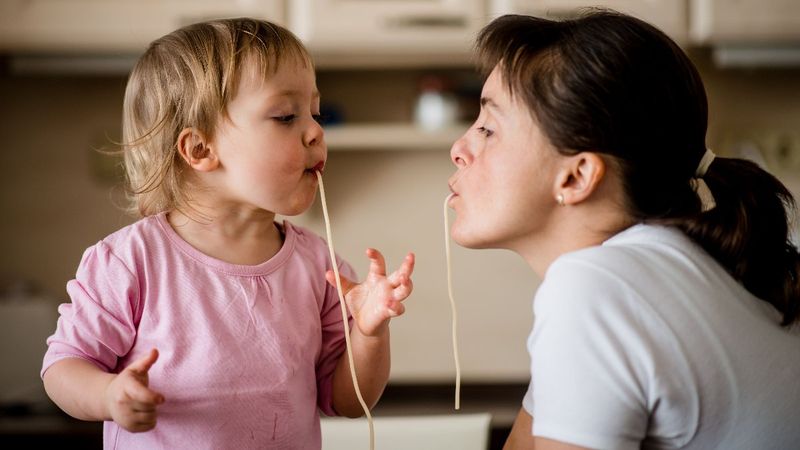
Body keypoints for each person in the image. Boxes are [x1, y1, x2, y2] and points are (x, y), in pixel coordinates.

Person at [41, 18, 415, 449]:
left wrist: (369, 334)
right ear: (200, 150)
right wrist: (108, 394)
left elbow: (348, 401)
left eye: (314, 112)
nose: (315, 130)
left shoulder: (319, 267)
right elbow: (63, 368)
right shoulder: (131, 261)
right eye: (286, 116)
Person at [447, 10, 800, 450]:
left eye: (487, 128)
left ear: (576, 177)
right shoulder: (659, 265)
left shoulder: (595, 290)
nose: (459, 148)